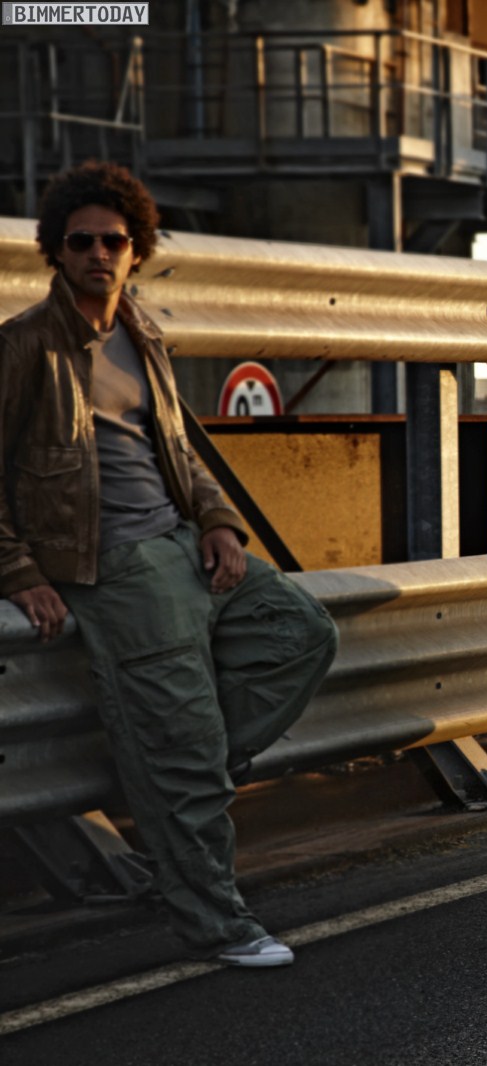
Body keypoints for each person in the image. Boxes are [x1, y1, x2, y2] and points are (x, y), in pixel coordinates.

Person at [0, 161, 339, 968]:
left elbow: (179, 452)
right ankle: (215, 922)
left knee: (301, 633)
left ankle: (172, 767)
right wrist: (20, 572)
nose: (98, 254)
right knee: (184, 755)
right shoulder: (24, 346)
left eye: (113, 241)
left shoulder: (140, 332)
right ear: (55, 251)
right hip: (115, 564)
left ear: (137, 250)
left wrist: (218, 521)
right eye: (80, 241)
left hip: (184, 544)